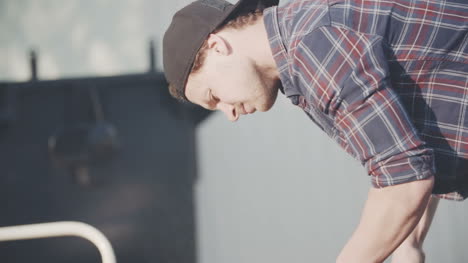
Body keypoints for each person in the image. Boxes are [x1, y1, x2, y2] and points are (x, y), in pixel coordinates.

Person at [163, 0, 468, 262]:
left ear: (217, 46)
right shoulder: (306, 40)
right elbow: (411, 140)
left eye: (213, 96)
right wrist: (408, 243)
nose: (228, 112)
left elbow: (402, 178)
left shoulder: (313, 47)